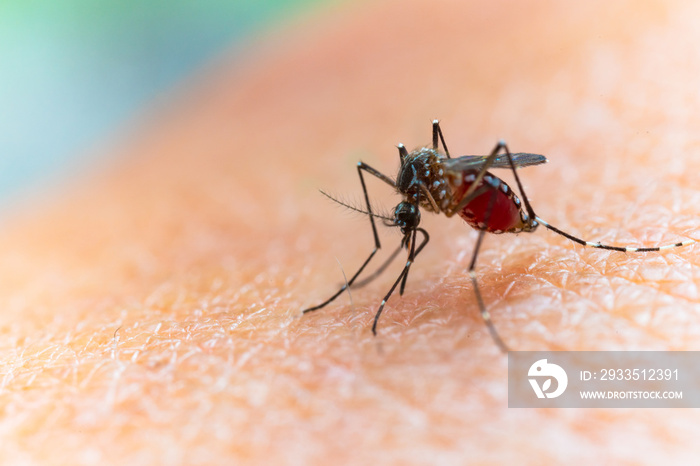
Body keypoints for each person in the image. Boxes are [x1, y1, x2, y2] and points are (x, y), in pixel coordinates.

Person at [2, 0, 698, 463]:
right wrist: (376, 265)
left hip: (483, 194)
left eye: (402, 218)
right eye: (400, 219)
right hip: (460, 193)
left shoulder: (435, 189)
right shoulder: (408, 197)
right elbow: (403, 224)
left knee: (480, 158)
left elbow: (435, 196)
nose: (403, 227)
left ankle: (561, 250)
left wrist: (464, 225)